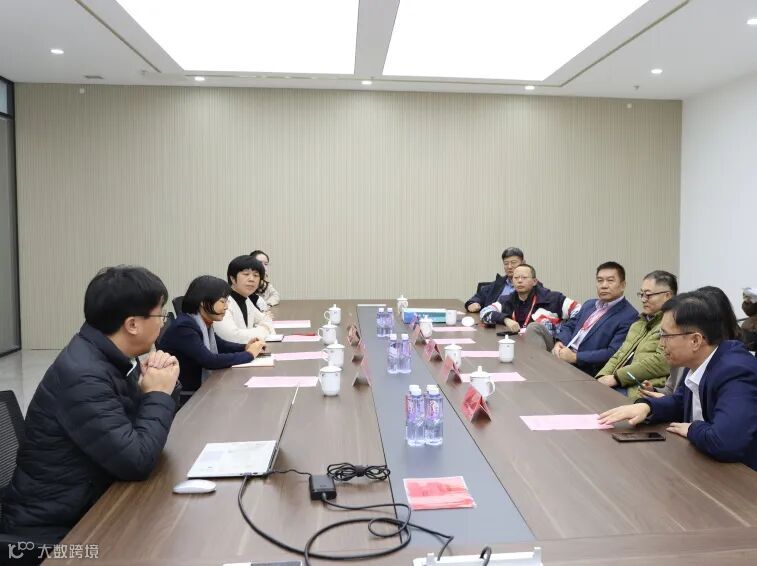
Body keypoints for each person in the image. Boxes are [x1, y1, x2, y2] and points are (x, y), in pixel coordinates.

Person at [1, 266, 180, 544]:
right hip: (53, 534)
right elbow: (136, 461)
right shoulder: (84, 376)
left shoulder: (106, 356)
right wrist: (158, 393)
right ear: (132, 324)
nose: (163, 323)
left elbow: (134, 429)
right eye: (161, 315)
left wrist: (163, 384)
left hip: (90, 503)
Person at [599, 291, 757, 471]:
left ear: (695, 340)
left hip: (742, 477)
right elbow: (681, 401)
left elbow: (724, 442)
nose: (661, 344)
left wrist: (692, 429)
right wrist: (647, 407)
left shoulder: (736, 371)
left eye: (665, 336)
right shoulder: (699, 361)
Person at [158, 275, 265, 393]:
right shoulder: (184, 327)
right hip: (190, 394)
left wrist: (245, 347)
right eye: (222, 302)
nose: (226, 307)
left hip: (202, 387)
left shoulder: (201, 322)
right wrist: (249, 354)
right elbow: (209, 360)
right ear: (203, 302)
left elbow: (220, 344)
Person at [639, 285, 744, 399]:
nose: (661, 344)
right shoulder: (687, 359)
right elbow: (678, 397)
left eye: (666, 335)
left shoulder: (733, 371)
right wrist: (653, 395)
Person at [595, 270, 677, 399]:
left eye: (648, 295)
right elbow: (619, 354)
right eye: (641, 294)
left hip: (640, 388)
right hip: (619, 382)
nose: (643, 299)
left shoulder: (674, 325)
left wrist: (617, 378)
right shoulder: (638, 324)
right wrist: (601, 376)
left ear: (667, 296)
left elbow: (661, 362)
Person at [550, 261, 638, 375]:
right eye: (600, 280)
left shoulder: (629, 315)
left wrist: (575, 357)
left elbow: (613, 353)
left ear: (623, 285)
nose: (604, 285)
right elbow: (570, 326)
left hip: (584, 368)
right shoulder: (589, 304)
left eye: (610, 280)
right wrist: (559, 343)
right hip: (563, 355)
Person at [480, 265, 580, 343]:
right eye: (516, 278)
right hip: (517, 344)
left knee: (534, 327)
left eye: (524, 277)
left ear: (534, 281)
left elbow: (579, 310)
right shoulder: (507, 300)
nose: (519, 281)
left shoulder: (552, 298)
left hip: (549, 347)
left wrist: (563, 334)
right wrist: (506, 320)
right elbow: (484, 312)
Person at [214, 255, 275, 343]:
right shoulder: (222, 302)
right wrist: (264, 329)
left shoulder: (246, 300)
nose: (252, 279)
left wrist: (261, 329)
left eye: (256, 275)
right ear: (233, 278)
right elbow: (233, 337)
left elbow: (266, 319)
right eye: (246, 274)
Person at [465, 247, 524, 313]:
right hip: (491, 317)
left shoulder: (529, 286)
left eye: (513, 262)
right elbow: (478, 297)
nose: (509, 267)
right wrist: (472, 304)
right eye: (506, 263)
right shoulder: (498, 283)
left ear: (523, 263)